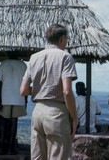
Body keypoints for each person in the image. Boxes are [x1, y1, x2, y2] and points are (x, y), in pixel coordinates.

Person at [20, 24, 78, 160]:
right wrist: (75, 118)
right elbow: (67, 91)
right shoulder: (65, 57)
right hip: (57, 113)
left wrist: (42, 89)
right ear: (62, 39)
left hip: (38, 112)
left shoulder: (34, 57)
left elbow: (23, 90)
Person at [0, 51, 27, 155]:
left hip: (5, 97)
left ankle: (2, 147)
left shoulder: (4, 63)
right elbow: (26, 83)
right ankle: (10, 147)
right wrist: (25, 99)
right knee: (14, 123)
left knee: (4, 123)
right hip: (19, 98)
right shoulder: (23, 65)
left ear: (8, 54)